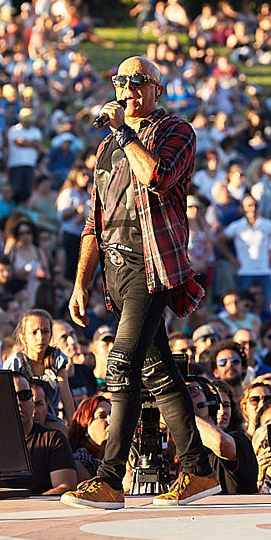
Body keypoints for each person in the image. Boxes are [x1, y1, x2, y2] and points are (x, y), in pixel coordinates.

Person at [61, 57, 219, 510]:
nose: (126, 90)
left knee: (120, 365)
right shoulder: (108, 147)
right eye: (120, 82)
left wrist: (126, 134)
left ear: (156, 89)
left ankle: (110, 480)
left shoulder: (175, 131)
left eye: (137, 83)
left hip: (152, 269)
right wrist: (81, 283)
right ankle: (198, 471)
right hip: (116, 271)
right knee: (159, 373)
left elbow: (157, 177)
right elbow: (96, 220)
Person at [0, 373, 76, 495]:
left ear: (32, 402)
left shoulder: (53, 440)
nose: (19, 402)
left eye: (24, 395)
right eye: (10, 395)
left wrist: (26, 505)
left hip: (37, 511)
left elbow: (65, 488)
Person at [3, 308, 74, 425]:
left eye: (45, 332)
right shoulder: (16, 362)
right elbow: (6, 397)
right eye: (34, 332)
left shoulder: (56, 358)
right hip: (20, 420)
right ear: (23, 337)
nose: (40, 338)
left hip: (49, 418)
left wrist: (73, 425)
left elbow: (66, 394)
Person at [67, 395, 111, 481]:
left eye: (113, 415)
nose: (110, 420)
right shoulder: (80, 462)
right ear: (85, 426)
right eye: (102, 416)